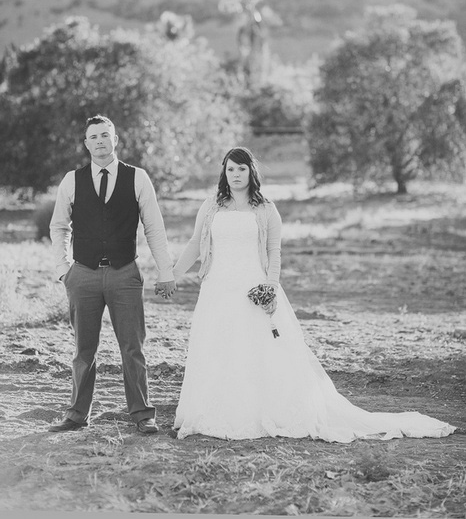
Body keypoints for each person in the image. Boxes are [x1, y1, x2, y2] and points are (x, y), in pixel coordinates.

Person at [171, 146, 456, 441]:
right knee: (218, 348)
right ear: (224, 172)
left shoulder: (266, 209)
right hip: (217, 288)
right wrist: (173, 274)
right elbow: (195, 244)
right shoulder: (211, 206)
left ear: (251, 171)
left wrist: (270, 285)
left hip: (253, 288)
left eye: (241, 169)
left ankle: (257, 412)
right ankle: (214, 410)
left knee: (258, 351)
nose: (235, 175)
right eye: (230, 169)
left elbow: (273, 251)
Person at [49, 114, 176, 434]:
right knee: (83, 350)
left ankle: (142, 414)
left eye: (106, 135)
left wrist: (165, 271)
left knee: (133, 347)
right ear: (86, 143)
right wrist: (64, 270)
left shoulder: (137, 178)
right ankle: (77, 414)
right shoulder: (71, 180)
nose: (100, 141)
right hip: (83, 275)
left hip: (124, 274)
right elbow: (58, 226)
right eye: (94, 137)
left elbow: (154, 228)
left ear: (115, 140)